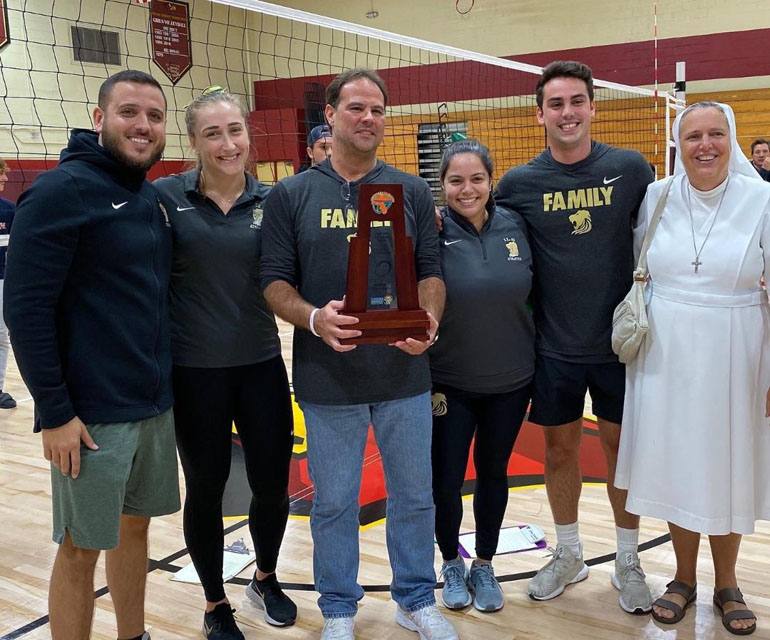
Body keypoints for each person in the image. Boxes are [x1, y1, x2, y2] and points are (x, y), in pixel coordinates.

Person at [260, 67, 458, 640]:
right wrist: (315, 318)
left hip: (404, 372)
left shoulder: (411, 190)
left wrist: (429, 323)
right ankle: (340, 610)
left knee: (415, 498)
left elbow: (431, 272)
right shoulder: (293, 194)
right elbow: (274, 283)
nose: (367, 118)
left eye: (376, 109)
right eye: (355, 108)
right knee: (335, 503)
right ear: (331, 114)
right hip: (328, 377)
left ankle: (416, 599)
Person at [3, 70, 179, 640]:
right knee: (80, 548)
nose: (143, 125)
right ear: (99, 119)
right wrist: (54, 412)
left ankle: (135, 636)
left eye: (154, 116)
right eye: (129, 112)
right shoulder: (60, 191)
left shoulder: (148, 197)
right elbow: (25, 311)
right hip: (90, 417)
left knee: (135, 532)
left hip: (151, 406)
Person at [494, 60, 655, 613]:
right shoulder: (518, 184)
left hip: (619, 346)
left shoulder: (633, 169)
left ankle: (629, 559)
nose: (567, 112)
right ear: (539, 113)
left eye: (576, 101)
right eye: (556, 104)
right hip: (554, 348)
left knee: (621, 453)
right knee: (560, 450)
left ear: (592, 107)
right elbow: (491, 242)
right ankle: (568, 552)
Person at [615, 101, 770, 635]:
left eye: (716, 135)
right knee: (679, 466)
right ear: (678, 146)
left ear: (731, 138)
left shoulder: (765, 201)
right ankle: (682, 578)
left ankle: (727, 582)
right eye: (693, 137)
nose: (705, 145)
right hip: (667, 354)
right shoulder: (657, 197)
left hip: (738, 350)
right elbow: (643, 272)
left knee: (727, 467)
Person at [154, 87, 296, 639]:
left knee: (271, 485)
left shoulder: (274, 200)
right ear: (193, 142)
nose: (227, 142)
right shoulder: (166, 198)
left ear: (248, 134)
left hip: (261, 365)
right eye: (212, 133)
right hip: (195, 374)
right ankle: (215, 604)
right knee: (207, 489)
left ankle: (265, 576)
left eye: (234, 130)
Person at [429, 139, 534, 613]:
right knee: (446, 480)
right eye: (456, 180)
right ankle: (451, 561)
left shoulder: (517, 224)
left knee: (494, 473)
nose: (466, 189)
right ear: (442, 184)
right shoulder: (428, 231)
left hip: (511, 381)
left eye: (476, 179)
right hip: (449, 381)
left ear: (492, 181)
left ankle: (484, 563)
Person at [0, 156, 15, 409]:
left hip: (3, 279)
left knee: (2, 335)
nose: (5, 178)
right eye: (1, 173)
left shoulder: (9, 210)